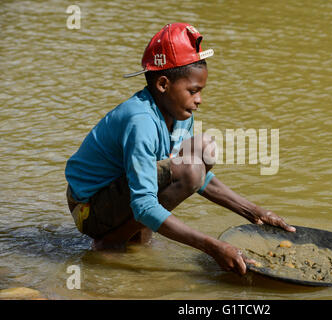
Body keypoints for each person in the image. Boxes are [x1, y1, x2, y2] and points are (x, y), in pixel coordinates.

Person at [65, 22, 295, 276]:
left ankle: (133, 236)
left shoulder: (179, 113)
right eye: (193, 91)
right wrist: (212, 247)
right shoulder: (140, 121)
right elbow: (149, 199)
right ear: (163, 84)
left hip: (120, 192)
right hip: (88, 209)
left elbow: (197, 177)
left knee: (203, 148)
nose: (199, 100)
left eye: (201, 91)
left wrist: (255, 212)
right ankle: (110, 242)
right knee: (189, 170)